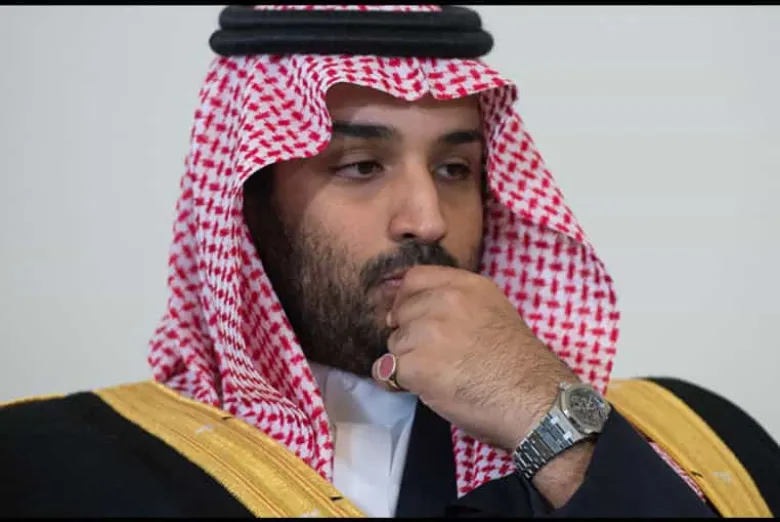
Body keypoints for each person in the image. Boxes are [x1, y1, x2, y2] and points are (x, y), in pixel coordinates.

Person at [1, 5, 776, 518]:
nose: (427, 219)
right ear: (248, 201)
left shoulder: (696, 439)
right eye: (361, 167)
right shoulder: (49, 467)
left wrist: (549, 421)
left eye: (455, 169)